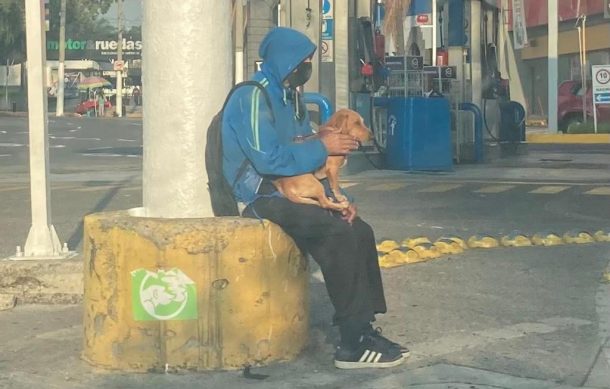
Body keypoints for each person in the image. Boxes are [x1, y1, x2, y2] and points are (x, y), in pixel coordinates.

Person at [221, 27, 408, 369]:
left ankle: (364, 327)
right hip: (259, 194)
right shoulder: (252, 97)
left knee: (358, 228)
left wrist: (341, 198)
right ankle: (351, 345)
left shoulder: (289, 98)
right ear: (284, 60)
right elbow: (268, 159)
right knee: (334, 233)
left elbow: (307, 152)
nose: (305, 67)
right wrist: (323, 146)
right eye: (302, 61)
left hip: (294, 187)